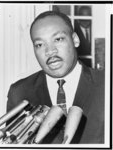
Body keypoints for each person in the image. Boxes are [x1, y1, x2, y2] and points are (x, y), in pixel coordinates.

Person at [7, 11, 104, 144]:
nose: (50, 51)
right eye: (40, 45)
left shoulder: (106, 85)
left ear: (75, 40)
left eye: (58, 39)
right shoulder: (19, 92)